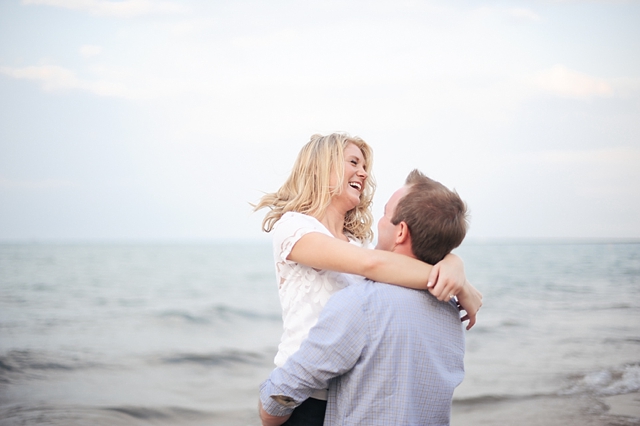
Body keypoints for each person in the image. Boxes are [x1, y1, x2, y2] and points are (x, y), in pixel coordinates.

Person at [254, 134, 482, 425]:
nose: (363, 172)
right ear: (319, 168)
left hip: (345, 390)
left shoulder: (356, 243)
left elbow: (405, 254)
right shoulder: (294, 227)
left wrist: (453, 262)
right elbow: (377, 264)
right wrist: (456, 283)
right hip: (304, 395)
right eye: (353, 162)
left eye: (364, 166)